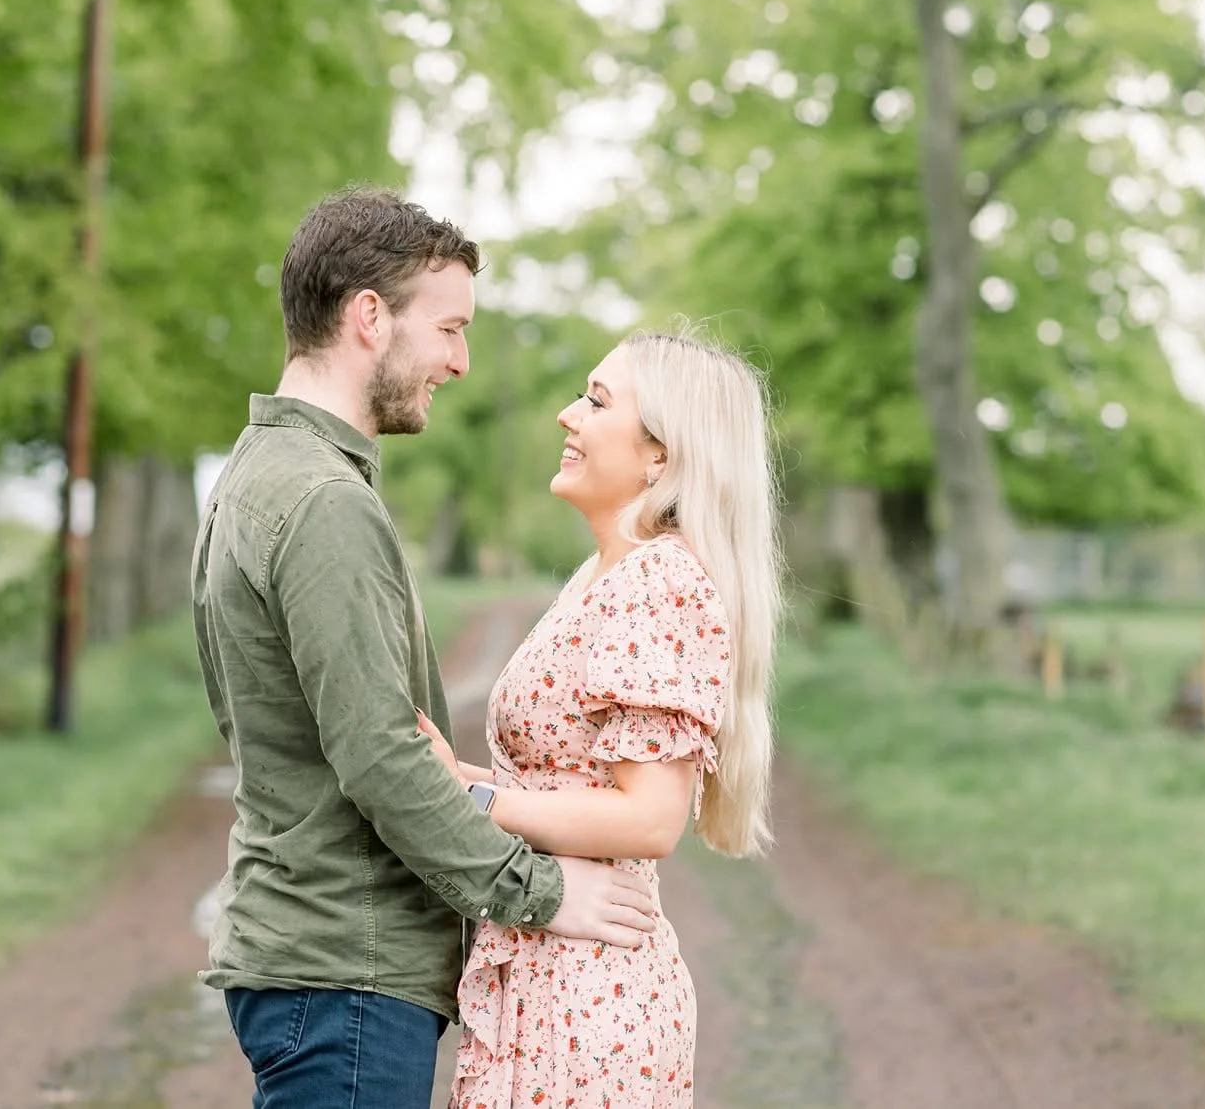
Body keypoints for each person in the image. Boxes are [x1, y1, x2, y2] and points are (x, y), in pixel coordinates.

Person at [191, 185, 662, 1109]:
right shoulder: (324, 501)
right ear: (371, 316)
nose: (460, 359)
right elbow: (379, 754)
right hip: (345, 973)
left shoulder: (258, 475)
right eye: (448, 328)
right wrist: (541, 891)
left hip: (314, 964)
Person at [417, 329, 781, 1109]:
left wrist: (473, 798)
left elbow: (650, 817)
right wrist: (453, 774)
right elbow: (563, 777)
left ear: (661, 453)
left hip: (590, 996)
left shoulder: (659, 580)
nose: (565, 414)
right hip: (554, 969)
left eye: (596, 400)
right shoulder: (603, 574)